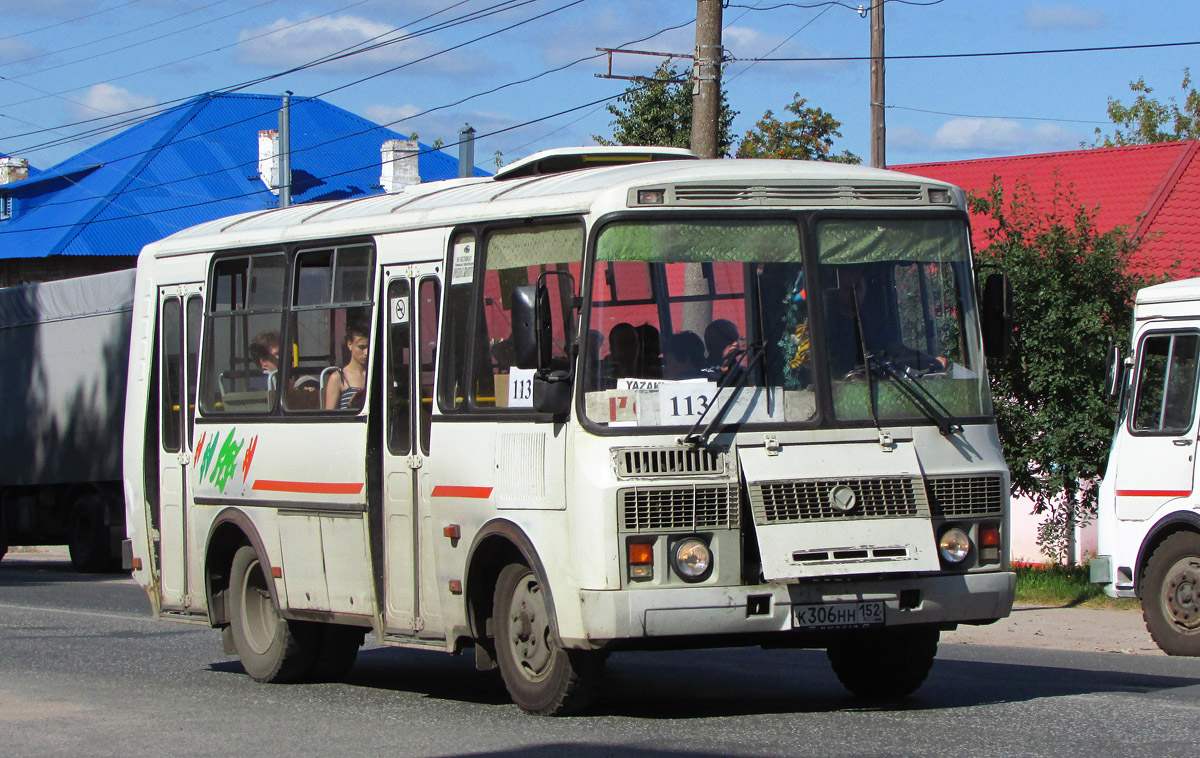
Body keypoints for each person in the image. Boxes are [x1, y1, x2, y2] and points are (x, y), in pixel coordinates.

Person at [324, 321, 369, 410]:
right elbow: (330, 417)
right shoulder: (338, 377)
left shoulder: (379, 375)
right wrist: (350, 407)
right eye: (361, 347)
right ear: (350, 345)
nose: (366, 352)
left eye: (369, 347)